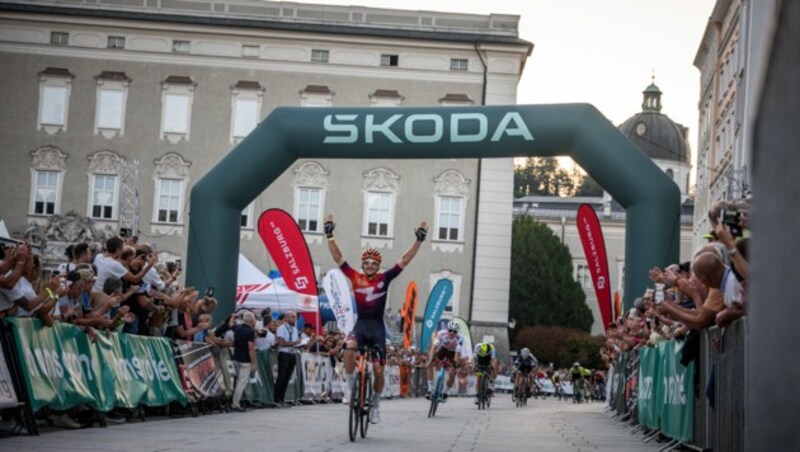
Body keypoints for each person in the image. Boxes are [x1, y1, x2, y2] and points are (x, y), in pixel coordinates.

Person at [325, 213, 427, 425]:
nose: (370, 265)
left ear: (378, 265)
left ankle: (377, 405)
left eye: (374, 263)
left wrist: (418, 239)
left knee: (379, 368)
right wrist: (329, 235)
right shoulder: (355, 276)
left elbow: (405, 260)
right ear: (362, 264)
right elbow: (338, 258)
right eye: (367, 262)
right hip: (360, 325)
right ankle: (350, 385)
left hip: (377, 328)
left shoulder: (384, 278)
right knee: (350, 348)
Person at [426, 321, 465, 402]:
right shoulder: (441, 334)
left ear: (457, 332)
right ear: (447, 329)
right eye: (450, 330)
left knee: (453, 373)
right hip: (443, 349)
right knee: (430, 364)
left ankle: (445, 393)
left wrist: (454, 365)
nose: (452, 333)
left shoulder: (460, 337)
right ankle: (430, 390)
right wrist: (430, 360)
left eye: (454, 331)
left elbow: (457, 353)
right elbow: (434, 347)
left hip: (453, 352)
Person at [230, 310, 257, 412]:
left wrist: (234, 316)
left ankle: (234, 402)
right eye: (253, 319)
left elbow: (230, 324)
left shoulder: (237, 328)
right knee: (241, 382)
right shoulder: (250, 332)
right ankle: (235, 404)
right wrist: (253, 362)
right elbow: (251, 348)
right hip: (245, 360)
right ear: (251, 320)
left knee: (237, 381)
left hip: (236, 357)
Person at [275, 310, 300, 408]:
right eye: (291, 317)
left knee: (287, 377)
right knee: (281, 377)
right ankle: (277, 399)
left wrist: (299, 343)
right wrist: (293, 343)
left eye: (294, 317)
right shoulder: (282, 328)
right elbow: (281, 342)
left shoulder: (295, 329)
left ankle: (282, 398)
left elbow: (295, 342)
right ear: (286, 318)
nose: (293, 319)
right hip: (284, 353)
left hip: (292, 353)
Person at [473, 340, 498, 405]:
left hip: (488, 359)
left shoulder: (492, 349)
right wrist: (474, 366)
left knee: (491, 369)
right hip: (480, 358)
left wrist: (494, 370)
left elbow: (493, 360)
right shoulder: (477, 347)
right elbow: (474, 359)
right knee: (478, 376)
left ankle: (490, 385)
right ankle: (478, 395)